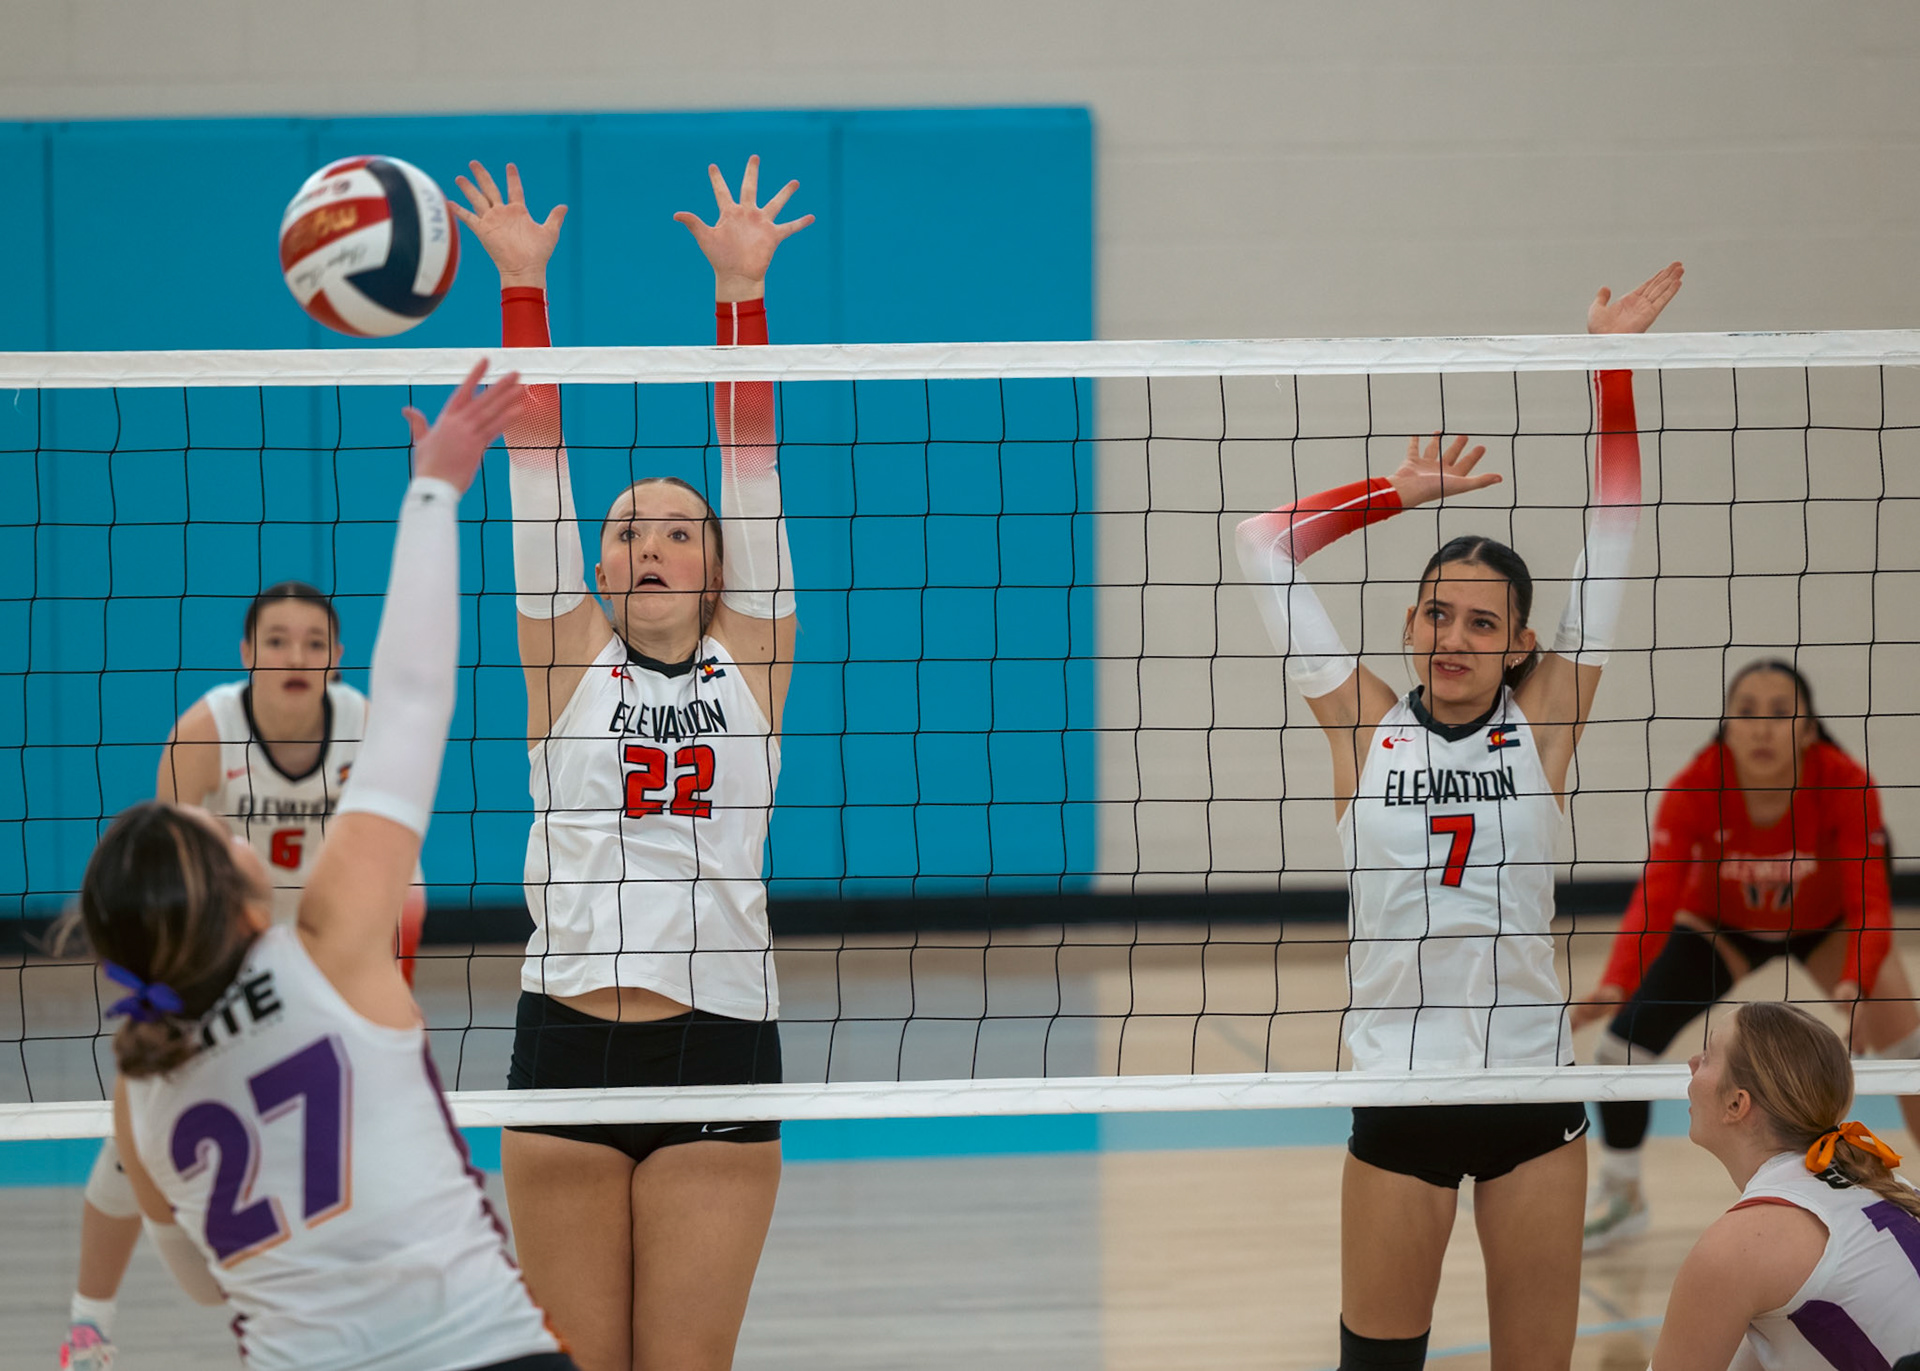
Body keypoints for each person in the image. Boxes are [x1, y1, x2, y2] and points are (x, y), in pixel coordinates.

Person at [59, 362, 578, 1370]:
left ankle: (91, 1322)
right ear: (230, 887)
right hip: (484, 1349)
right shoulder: (334, 948)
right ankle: (88, 1312)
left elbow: (203, 1283)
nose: (237, 835)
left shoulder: (144, 1084)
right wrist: (433, 491)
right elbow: (418, 695)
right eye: (221, 838)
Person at [1235, 262, 1683, 1371]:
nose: (1454, 638)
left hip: (1533, 1094)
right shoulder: (1363, 728)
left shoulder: (1544, 726)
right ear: (1409, 620)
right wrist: (1395, 494)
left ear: (1522, 643)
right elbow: (1260, 544)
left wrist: (1611, 372)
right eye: (1438, 614)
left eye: (1484, 624)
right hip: (1401, 1096)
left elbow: (1616, 532)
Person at [452, 155, 808, 1371]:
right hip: (565, 1049)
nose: (650, 543)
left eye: (678, 530)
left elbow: (751, 461)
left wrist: (740, 294)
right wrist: (521, 285)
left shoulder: (755, 659)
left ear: (718, 566)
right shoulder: (565, 660)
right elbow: (533, 462)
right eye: (627, 530)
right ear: (598, 567)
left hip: (720, 1043)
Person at [60, 583, 428, 1370]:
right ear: (246, 653)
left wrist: (382, 981)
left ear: (336, 656)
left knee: (333, 1139)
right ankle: (88, 1326)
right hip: (215, 957)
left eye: (314, 642)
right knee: (129, 1144)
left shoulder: (362, 726)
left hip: (323, 960)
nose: (296, 655)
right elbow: (165, 876)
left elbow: (399, 874)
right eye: (277, 640)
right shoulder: (206, 732)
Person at [1576, 660, 1920, 1251]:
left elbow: (1871, 897)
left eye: (1781, 712)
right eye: (1747, 711)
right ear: (1727, 726)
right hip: (1723, 925)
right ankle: (1623, 1192)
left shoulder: (1844, 781)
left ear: (1808, 728)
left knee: (1909, 1048)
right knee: (1618, 1047)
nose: (1762, 727)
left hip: (1827, 924)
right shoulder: (1696, 785)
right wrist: (1617, 981)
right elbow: (1657, 893)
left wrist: (1855, 980)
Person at [1650, 1001, 1920, 1371]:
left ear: (1736, 1104)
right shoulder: (1883, 1181)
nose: (1692, 1063)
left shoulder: (1737, 1247)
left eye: (1708, 1056)